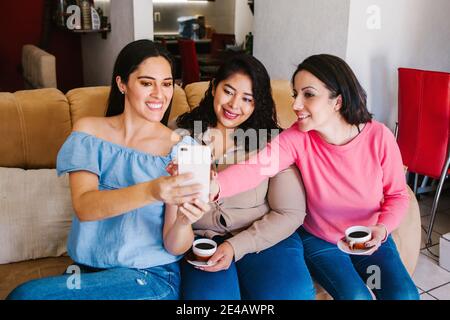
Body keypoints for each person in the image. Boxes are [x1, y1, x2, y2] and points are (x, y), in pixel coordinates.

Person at [6, 40, 210, 300]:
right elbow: (86, 206)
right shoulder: (89, 132)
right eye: (147, 83)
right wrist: (153, 190)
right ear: (122, 84)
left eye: (167, 83)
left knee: (27, 297)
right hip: (86, 272)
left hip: (148, 276)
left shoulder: (182, 148)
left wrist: (183, 220)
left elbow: (174, 245)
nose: (160, 94)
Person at [212, 54, 420, 300]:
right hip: (321, 240)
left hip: (369, 236)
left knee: (405, 295)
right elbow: (257, 168)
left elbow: (397, 195)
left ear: (337, 101)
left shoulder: (379, 137)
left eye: (308, 94)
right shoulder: (297, 137)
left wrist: (382, 228)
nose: (296, 105)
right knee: (356, 297)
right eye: (295, 94)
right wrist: (214, 186)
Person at [165, 54, 315, 300]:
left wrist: (236, 246)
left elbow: (290, 212)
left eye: (247, 98)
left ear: (257, 104)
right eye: (229, 91)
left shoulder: (271, 141)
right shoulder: (180, 131)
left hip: (263, 237)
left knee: (289, 294)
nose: (234, 105)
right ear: (214, 87)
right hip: (201, 240)